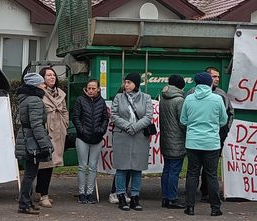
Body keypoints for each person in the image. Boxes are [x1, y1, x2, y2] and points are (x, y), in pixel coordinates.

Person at [180, 71, 226, 216]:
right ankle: (215, 208)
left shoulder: (189, 99)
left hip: (193, 141)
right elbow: (223, 120)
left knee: (192, 174)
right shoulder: (217, 99)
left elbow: (183, 120)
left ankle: (190, 207)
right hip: (211, 142)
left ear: (196, 83)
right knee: (211, 175)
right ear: (209, 83)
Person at [111, 72, 153, 211]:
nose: (126, 85)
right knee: (121, 168)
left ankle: (135, 197)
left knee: (137, 168)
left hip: (139, 136)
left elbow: (148, 116)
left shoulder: (146, 98)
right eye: (125, 82)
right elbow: (114, 115)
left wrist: (135, 127)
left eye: (129, 82)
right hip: (122, 135)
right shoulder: (118, 97)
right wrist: (128, 126)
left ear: (136, 84)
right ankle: (121, 196)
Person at [14, 72, 53, 215]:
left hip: (25, 138)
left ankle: (26, 202)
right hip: (31, 141)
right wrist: (45, 145)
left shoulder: (25, 99)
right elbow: (37, 125)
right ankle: (24, 203)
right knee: (30, 174)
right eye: (42, 83)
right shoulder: (35, 101)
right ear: (36, 85)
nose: (44, 85)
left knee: (29, 173)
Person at [34, 66, 68, 208]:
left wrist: (65, 124)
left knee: (50, 164)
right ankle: (43, 195)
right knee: (44, 164)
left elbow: (65, 110)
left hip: (58, 132)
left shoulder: (60, 94)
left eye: (53, 75)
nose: (52, 77)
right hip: (46, 132)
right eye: (48, 75)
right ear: (43, 78)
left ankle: (41, 192)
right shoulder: (39, 93)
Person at [71, 78, 108, 204]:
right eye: (89, 88)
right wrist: (81, 130)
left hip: (97, 138)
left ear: (98, 89)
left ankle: (90, 193)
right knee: (82, 166)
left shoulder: (101, 102)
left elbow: (105, 118)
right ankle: (81, 193)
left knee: (92, 167)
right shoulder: (80, 100)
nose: (91, 91)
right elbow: (75, 117)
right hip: (82, 138)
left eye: (93, 88)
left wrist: (101, 130)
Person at [199, 66, 233, 200]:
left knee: (211, 167)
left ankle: (207, 192)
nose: (217, 79)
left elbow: (230, 113)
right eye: (214, 76)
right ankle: (193, 194)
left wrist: (225, 130)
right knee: (196, 167)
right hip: (197, 137)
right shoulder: (191, 94)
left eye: (218, 76)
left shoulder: (222, 94)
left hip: (216, 136)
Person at [158, 74, 187, 209]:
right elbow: (182, 122)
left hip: (165, 139)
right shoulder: (179, 100)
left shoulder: (163, 97)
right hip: (177, 140)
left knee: (167, 169)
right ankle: (172, 198)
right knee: (174, 170)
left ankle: (165, 197)